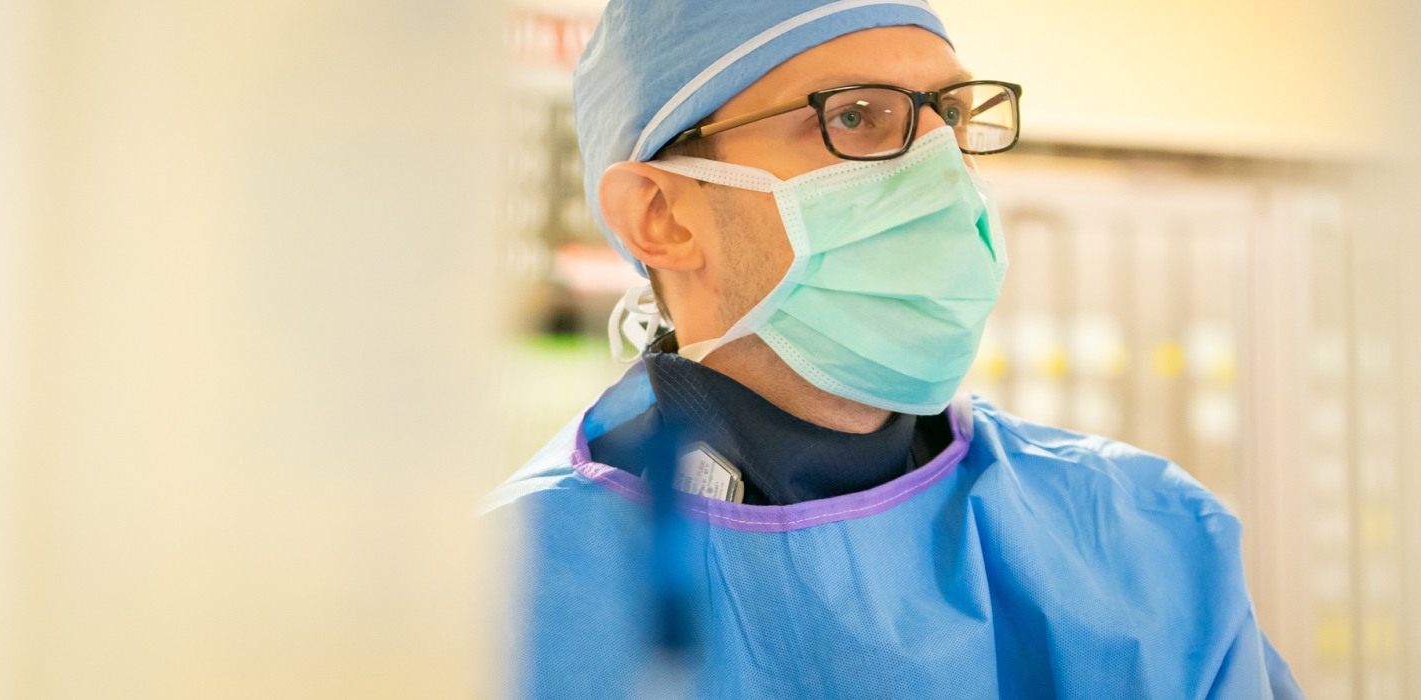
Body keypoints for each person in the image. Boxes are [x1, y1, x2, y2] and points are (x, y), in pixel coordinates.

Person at [481, 2, 1305, 698]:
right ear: (662, 216)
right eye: (853, 117)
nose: (940, 171)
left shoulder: (1145, 542)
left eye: (950, 118)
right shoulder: (497, 599)